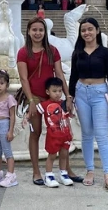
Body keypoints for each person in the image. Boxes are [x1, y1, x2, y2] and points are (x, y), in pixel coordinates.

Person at [17, 17, 81, 185]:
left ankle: (66, 169)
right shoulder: (23, 52)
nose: (37, 33)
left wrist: (67, 97)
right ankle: (36, 171)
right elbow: (23, 79)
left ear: (45, 32)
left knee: (62, 133)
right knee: (35, 132)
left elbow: (60, 74)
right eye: (34, 30)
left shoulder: (53, 50)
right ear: (29, 32)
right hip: (35, 97)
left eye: (41, 30)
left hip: (53, 96)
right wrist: (31, 100)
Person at [70, 17, 108, 193]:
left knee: (101, 135)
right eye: (83, 30)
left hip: (100, 93)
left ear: (97, 31)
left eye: (90, 29)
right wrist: (70, 98)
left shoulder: (105, 53)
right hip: (81, 92)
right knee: (86, 134)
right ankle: (90, 170)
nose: (87, 33)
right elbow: (73, 77)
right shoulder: (77, 52)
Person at [37, 77, 74, 188]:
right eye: (54, 91)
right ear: (48, 92)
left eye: (59, 91)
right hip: (53, 136)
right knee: (52, 155)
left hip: (65, 134)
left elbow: (68, 117)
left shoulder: (64, 104)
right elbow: (34, 111)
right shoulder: (44, 104)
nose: (57, 94)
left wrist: (70, 131)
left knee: (64, 154)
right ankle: (49, 175)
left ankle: (63, 173)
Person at [0, 69, 18, 187]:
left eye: (1, 83)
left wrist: (10, 131)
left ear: (7, 85)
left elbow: (12, 115)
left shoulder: (9, 98)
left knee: (7, 152)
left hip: (4, 125)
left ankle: (11, 175)